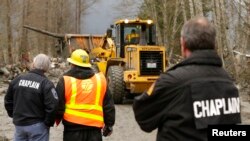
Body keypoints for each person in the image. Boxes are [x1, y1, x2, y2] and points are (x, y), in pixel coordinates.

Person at [133, 17, 241, 141]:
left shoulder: (172, 82)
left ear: (183, 44)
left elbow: (143, 116)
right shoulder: (229, 84)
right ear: (214, 44)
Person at [55, 49, 115, 141]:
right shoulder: (100, 80)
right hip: (94, 131)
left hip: (72, 131)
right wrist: (109, 125)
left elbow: (58, 106)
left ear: (73, 64)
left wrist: (52, 120)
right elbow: (108, 106)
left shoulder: (65, 81)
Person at [4, 54, 59, 141]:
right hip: (38, 125)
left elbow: (8, 100)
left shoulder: (17, 79)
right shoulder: (46, 83)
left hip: (19, 124)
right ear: (47, 68)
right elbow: (53, 106)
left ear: (33, 64)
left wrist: (14, 115)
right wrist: (47, 123)